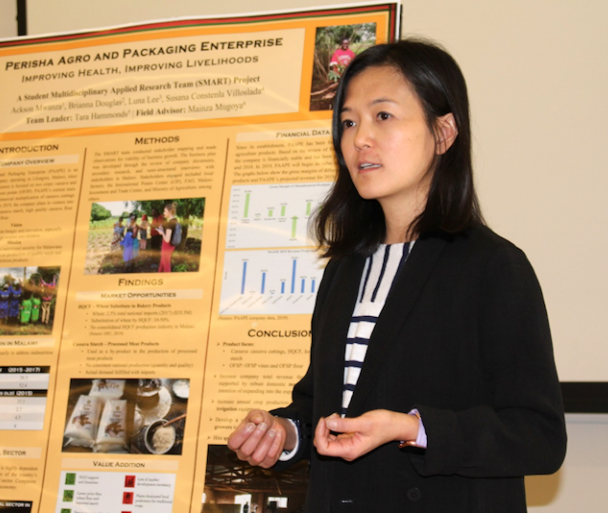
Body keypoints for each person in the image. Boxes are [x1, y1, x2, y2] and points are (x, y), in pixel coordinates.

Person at [227, 39, 566, 512]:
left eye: (383, 116)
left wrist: (414, 428)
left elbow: (539, 437)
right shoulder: (344, 270)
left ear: (444, 133)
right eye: (348, 122)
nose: (359, 138)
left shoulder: (494, 267)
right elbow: (321, 406)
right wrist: (284, 434)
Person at [156, 202, 178, 273]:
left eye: (165, 211)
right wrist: (163, 230)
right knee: (162, 264)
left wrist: (162, 233)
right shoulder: (175, 221)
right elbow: (171, 234)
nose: (163, 213)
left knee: (166, 266)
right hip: (171, 246)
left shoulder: (170, 224)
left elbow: (167, 239)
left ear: (170, 211)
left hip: (167, 247)